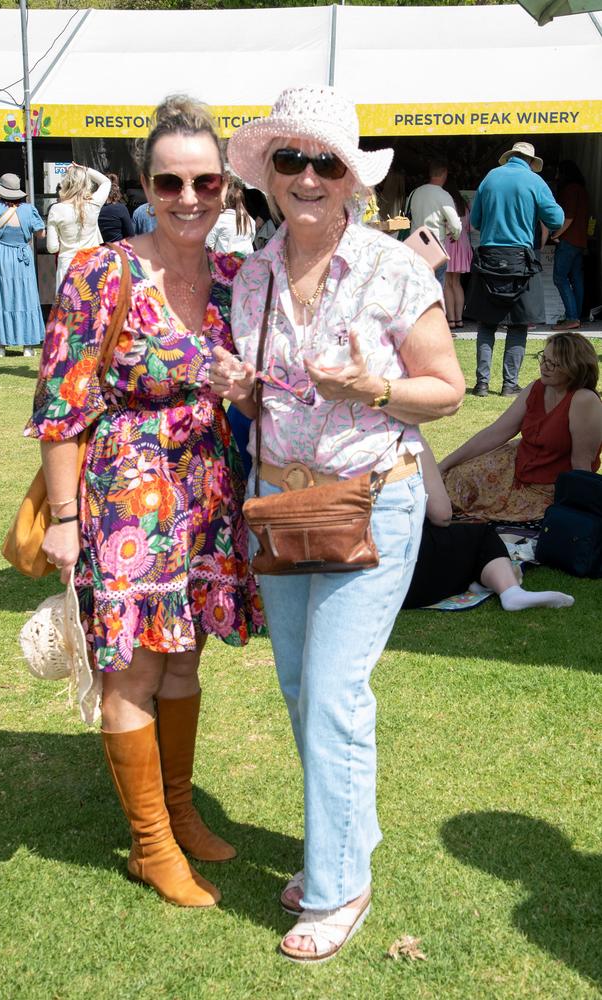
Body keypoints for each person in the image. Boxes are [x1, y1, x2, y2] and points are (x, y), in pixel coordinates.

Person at [212, 85, 465, 963]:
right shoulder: (254, 273)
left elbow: (448, 389)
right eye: (293, 160)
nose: (309, 177)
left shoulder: (393, 268)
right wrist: (239, 389)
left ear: (353, 178)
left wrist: (375, 389)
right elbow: (262, 394)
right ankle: (348, 838)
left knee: (331, 693)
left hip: (372, 502)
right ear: (271, 175)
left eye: (326, 162)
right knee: (300, 690)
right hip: (284, 507)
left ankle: (337, 889)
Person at [24, 95, 265, 910]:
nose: (189, 198)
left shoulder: (238, 278)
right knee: (135, 667)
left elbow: (263, 401)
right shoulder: (101, 273)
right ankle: (150, 844)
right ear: (143, 182)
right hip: (127, 497)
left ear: (228, 186)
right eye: (171, 181)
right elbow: (62, 405)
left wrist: (248, 393)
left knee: (187, 656)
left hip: (205, 491)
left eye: (206, 181)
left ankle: (183, 811)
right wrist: (63, 521)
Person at [440, 332, 602, 523]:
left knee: (501, 517)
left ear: (574, 368)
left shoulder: (584, 400)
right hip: (514, 466)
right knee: (453, 479)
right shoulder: (537, 387)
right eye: (544, 358)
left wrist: (579, 515)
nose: (543, 366)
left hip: (548, 485)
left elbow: (581, 467)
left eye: (553, 363)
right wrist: (443, 465)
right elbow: (496, 432)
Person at [403, 439, 574, 611]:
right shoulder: (408, 440)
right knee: (479, 534)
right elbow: (441, 515)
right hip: (403, 582)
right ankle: (510, 591)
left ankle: (477, 578)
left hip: (378, 583)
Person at [466, 141, 564, 398]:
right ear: (531, 162)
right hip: (520, 258)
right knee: (519, 324)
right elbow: (556, 219)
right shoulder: (534, 181)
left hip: (488, 257)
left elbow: (475, 221)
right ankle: (510, 385)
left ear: (510, 157)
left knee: (486, 324)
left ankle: (481, 384)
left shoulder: (490, 178)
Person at [0, 173, 45, 358]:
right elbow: (41, 234)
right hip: (23, 256)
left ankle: (1, 345)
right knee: (26, 297)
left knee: (2, 297)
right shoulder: (29, 210)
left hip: (1, 256)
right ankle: (28, 346)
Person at [46, 163, 111, 290]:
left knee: (68, 306)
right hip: (92, 263)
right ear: (86, 183)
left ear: (65, 184)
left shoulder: (56, 209)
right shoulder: (94, 204)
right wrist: (85, 169)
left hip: (67, 265)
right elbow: (105, 182)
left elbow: (52, 248)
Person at [407, 159, 461, 287]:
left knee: (417, 290)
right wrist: (455, 235)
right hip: (435, 250)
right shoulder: (444, 195)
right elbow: (456, 225)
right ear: (445, 174)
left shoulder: (414, 193)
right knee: (435, 292)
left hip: (415, 249)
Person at [550, 160, 589, 332]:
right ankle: (576, 316)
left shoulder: (570, 189)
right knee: (576, 278)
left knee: (559, 277)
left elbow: (569, 217)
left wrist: (556, 234)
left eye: (559, 172)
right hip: (581, 241)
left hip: (569, 241)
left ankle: (572, 317)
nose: (557, 176)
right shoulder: (582, 189)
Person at [443, 185, 472, 332]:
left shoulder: (446, 205)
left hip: (449, 241)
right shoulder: (465, 206)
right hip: (463, 243)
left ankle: (451, 320)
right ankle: (459, 319)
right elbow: (469, 228)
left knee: (447, 282)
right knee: (457, 282)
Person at [206, 175, 255, 254]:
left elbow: (208, 245)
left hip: (224, 263)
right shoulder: (250, 220)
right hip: (246, 262)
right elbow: (251, 239)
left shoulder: (218, 220)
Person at [98, 173, 134, 244]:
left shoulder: (95, 209)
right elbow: (130, 234)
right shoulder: (120, 208)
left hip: (99, 250)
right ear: (117, 189)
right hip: (117, 250)